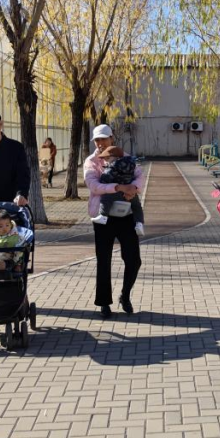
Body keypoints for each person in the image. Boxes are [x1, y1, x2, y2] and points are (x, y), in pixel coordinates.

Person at [84, 124, 143, 319]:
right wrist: (119, 187)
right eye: (97, 140)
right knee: (103, 260)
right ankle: (104, 303)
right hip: (103, 217)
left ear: (112, 138)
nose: (100, 143)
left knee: (134, 259)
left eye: (104, 138)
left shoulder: (125, 156)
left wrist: (133, 188)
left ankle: (125, 295)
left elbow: (139, 176)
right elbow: (93, 185)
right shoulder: (91, 161)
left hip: (126, 215)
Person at [91, 145, 145, 235]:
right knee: (137, 206)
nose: (105, 160)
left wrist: (103, 177)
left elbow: (105, 178)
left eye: (107, 158)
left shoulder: (113, 167)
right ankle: (139, 223)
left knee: (105, 197)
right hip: (130, 193)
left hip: (116, 192)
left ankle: (103, 216)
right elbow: (136, 176)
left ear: (113, 157)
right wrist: (132, 189)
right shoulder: (131, 164)